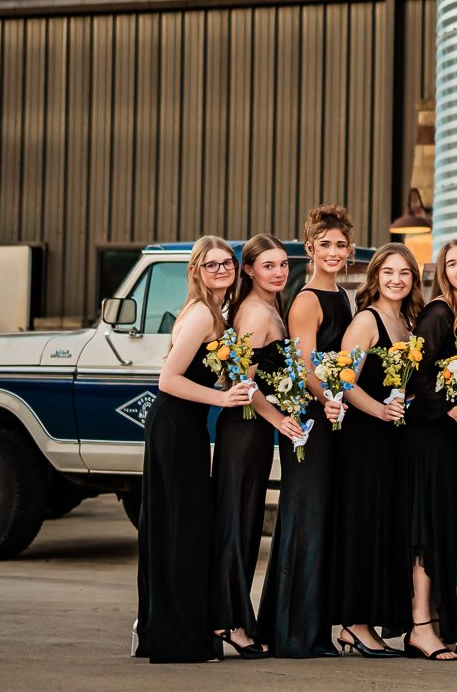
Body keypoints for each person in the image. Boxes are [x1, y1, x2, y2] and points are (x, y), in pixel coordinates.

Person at [136, 235, 252, 664]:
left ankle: (165, 630)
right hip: (174, 427)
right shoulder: (203, 313)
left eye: (228, 264)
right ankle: (177, 639)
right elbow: (168, 380)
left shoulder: (214, 313)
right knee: (183, 527)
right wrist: (223, 399)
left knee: (179, 524)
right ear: (196, 271)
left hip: (183, 427)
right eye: (212, 265)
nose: (222, 270)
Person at [255, 205, 352, 658]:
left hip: (332, 421)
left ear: (349, 251)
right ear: (309, 248)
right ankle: (293, 632)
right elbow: (305, 364)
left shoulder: (343, 298)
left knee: (323, 521)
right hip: (309, 424)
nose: (333, 252)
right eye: (324, 245)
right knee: (304, 520)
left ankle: (314, 628)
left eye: (340, 245)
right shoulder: (308, 299)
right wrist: (329, 396)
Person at [392, 238, 457, 660]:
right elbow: (414, 376)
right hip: (428, 437)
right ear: (442, 273)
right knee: (426, 531)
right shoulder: (437, 314)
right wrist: (449, 408)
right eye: (452, 263)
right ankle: (420, 627)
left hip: (455, 442)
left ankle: (442, 628)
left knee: (446, 533)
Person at [210, 234, 302, 658]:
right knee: (236, 522)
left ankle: (231, 618)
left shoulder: (270, 306)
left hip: (255, 432)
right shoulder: (252, 311)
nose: (279, 272)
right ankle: (229, 623)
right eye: (269, 265)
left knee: (245, 522)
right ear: (248, 270)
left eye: (283, 264)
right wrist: (279, 418)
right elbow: (241, 381)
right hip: (244, 430)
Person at [332, 243, 422, 657]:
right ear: (376, 277)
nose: (396, 280)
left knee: (384, 530)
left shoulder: (407, 321)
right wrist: (381, 412)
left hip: (393, 440)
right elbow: (342, 380)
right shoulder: (367, 320)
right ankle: (354, 624)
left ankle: (367, 623)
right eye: (388, 272)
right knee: (363, 528)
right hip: (364, 440)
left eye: (404, 273)